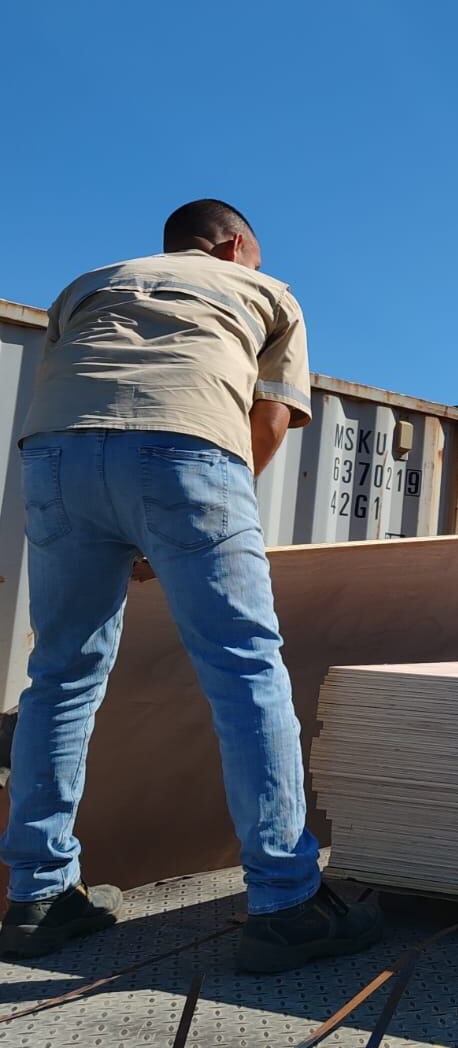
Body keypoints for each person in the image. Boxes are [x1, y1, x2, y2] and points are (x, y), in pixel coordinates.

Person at [0, 199, 381, 972]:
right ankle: (285, 902)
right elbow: (267, 425)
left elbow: (74, 399)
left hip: (55, 456)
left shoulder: (89, 284)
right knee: (245, 669)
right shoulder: (268, 292)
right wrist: (186, 519)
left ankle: (38, 896)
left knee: (60, 675)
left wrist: (128, 520)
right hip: (185, 445)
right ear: (236, 246)